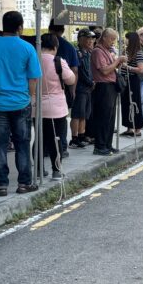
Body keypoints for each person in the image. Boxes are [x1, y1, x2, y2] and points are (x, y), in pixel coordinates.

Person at [0, 10, 41, 197]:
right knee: (22, 143)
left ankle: (1, 185)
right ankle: (23, 183)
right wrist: (30, 97)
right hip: (21, 102)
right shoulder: (27, 48)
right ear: (20, 27)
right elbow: (33, 79)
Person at [39, 33, 75, 180]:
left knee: (40, 139)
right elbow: (70, 79)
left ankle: (38, 170)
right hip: (56, 107)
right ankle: (56, 170)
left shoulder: (34, 59)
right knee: (56, 138)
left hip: (36, 107)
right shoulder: (58, 61)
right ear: (55, 46)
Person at [91, 28, 127, 155]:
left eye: (114, 39)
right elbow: (105, 70)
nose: (113, 42)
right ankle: (100, 145)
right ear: (104, 37)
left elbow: (111, 68)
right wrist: (117, 60)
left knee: (110, 117)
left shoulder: (107, 50)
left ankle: (107, 144)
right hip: (103, 86)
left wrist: (119, 63)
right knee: (103, 117)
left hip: (111, 85)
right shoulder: (97, 51)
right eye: (111, 39)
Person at [49, 21, 78, 157]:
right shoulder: (69, 47)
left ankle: (45, 148)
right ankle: (62, 148)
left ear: (49, 29)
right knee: (61, 119)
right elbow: (74, 70)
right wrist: (73, 89)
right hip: (63, 88)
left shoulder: (40, 44)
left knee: (44, 122)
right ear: (62, 29)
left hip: (42, 91)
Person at [69, 29, 96, 149]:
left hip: (88, 88)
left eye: (91, 38)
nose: (91, 41)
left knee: (84, 114)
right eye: (88, 38)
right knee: (77, 114)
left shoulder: (88, 53)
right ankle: (74, 138)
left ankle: (81, 135)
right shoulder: (77, 53)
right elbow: (80, 71)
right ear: (80, 39)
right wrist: (90, 82)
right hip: (80, 87)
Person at [120, 31, 143, 137]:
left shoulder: (138, 52)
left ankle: (138, 128)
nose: (125, 40)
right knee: (125, 103)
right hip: (124, 80)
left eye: (127, 38)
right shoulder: (125, 51)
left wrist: (127, 67)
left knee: (135, 103)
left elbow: (140, 69)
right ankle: (129, 127)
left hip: (133, 80)